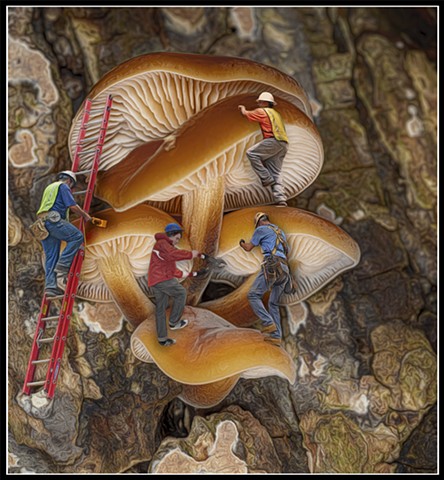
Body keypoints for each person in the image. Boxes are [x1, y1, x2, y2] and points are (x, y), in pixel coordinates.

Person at [148, 222, 206, 347]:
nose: (177, 241)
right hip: (162, 279)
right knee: (181, 293)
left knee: (161, 309)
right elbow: (173, 254)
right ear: (171, 235)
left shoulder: (164, 247)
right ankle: (174, 322)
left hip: (156, 279)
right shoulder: (162, 244)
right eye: (177, 238)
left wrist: (193, 274)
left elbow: (173, 270)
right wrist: (192, 254)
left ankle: (162, 338)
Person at [239, 212, 293, 346]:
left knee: (253, 295)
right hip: (284, 269)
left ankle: (268, 323)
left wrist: (241, 243)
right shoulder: (280, 232)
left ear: (259, 222)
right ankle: (276, 337)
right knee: (273, 303)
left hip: (272, 265)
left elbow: (248, 248)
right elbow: (287, 252)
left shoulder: (261, 229)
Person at [36, 170, 91, 297]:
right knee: (77, 237)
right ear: (69, 181)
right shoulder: (63, 186)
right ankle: (63, 264)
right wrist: (85, 215)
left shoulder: (49, 187)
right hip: (53, 221)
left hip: (42, 225)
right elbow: (72, 206)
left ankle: (50, 287)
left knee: (51, 256)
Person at [238, 92, 289, 207]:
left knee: (251, 153)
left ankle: (266, 178)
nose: (259, 103)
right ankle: (280, 199)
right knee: (276, 172)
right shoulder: (276, 114)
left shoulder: (262, 111)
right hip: (283, 144)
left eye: (261, 101)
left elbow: (247, 114)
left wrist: (243, 108)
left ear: (266, 103)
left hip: (273, 141)